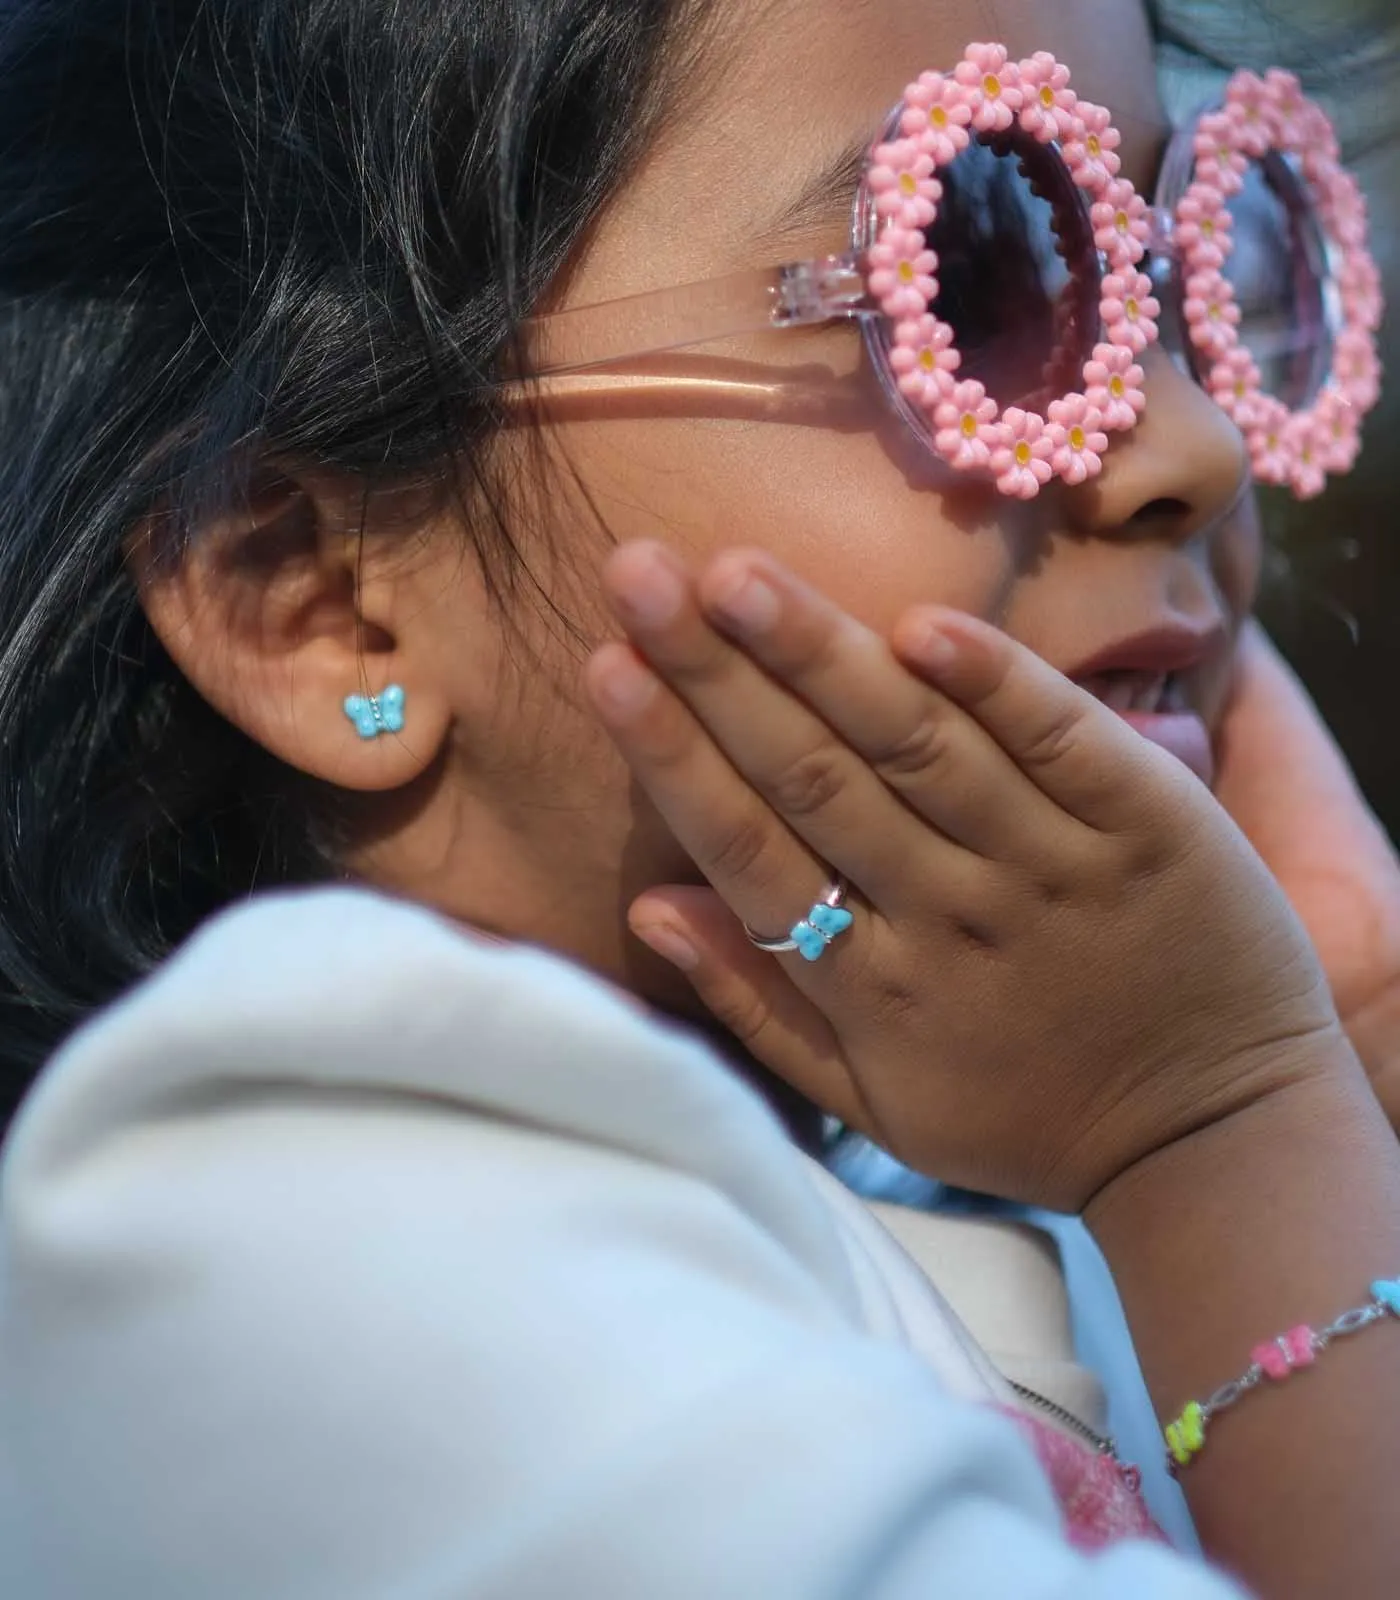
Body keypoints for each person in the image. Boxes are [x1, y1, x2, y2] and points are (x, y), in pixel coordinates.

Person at [2, 0, 1400, 1594]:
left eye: (1195, 282)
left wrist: (1359, 1053)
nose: (1197, 446)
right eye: (972, 274)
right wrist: (1227, 1143)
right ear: (321, 597)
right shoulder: (298, 1248)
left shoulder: (1078, 1188)